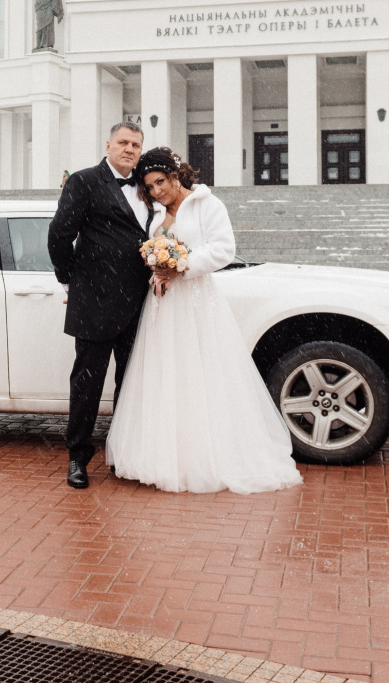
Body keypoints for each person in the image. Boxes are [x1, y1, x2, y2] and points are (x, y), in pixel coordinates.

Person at [105, 147, 302, 494]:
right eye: (149, 187)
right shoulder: (155, 213)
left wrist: (181, 265)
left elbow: (224, 249)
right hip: (163, 307)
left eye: (160, 182)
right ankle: (162, 456)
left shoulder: (208, 204)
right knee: (166, 375)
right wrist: (155, 264)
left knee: (202, 374)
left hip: (197, 302)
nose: (157, 192)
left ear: (176, 174)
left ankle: (207, 456)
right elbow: (149, 248)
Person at [48, 123, 153, 489]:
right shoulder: (83, 181)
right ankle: (77, 457)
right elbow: (59, 234)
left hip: (141, 304)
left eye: (136, 145)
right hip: (94, 303)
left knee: (131, 382)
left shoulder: (147, 186)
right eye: (123, 142)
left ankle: (122, 452)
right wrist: (69, 280)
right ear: (108, 144)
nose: (129, 149)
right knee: (87, 384)